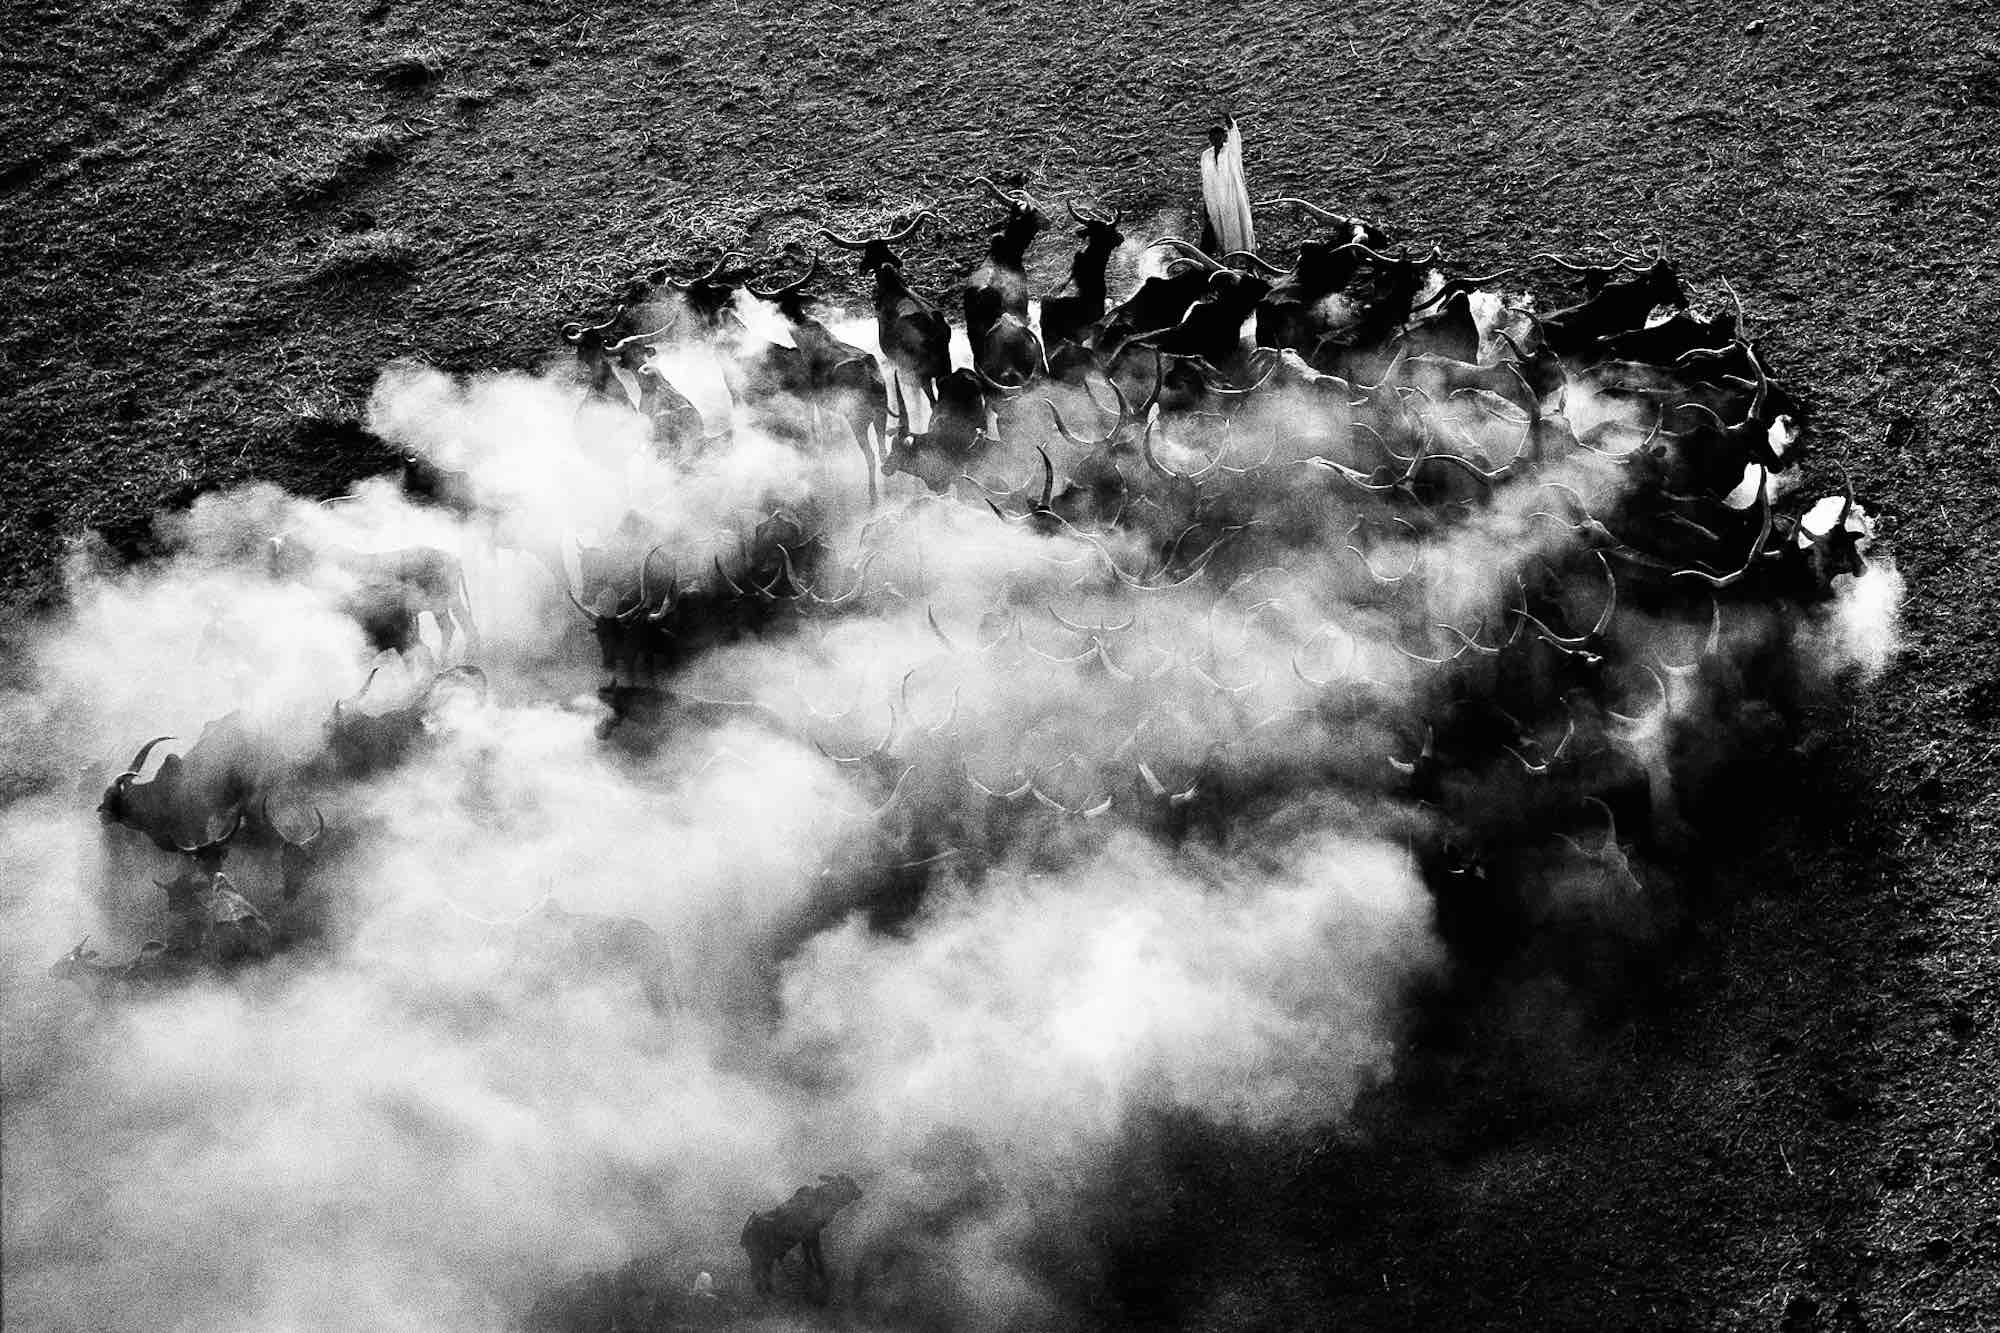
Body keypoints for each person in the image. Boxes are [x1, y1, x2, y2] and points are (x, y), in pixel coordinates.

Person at [1199, 116, 1255, 257]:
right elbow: (1206, 181)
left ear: (1224, 137)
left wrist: (1228, 118)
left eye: (1220, 136)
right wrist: (1207, 203)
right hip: (1214, 200)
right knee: (1217, 228)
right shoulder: (1206, 156)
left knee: (1236, 227)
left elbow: (1234, 134)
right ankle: (1224, 257)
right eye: (1213, 137)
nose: (1216, 139)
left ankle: (1243, 257)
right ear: (1210, 139)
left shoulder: (1231, 151)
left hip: (1232, 197)